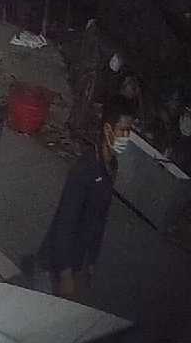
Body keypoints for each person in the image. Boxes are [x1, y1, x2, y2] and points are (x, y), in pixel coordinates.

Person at [35, 98, 135, 299]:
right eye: (122, 130)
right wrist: (65, 274)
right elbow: (65, 222)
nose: (126, 137)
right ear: (107, 129)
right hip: (54, 266)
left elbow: (99, 219)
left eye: (129, 131)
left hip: (76, 262)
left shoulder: (111, 166)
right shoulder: (85, 169)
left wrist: (90, 263)